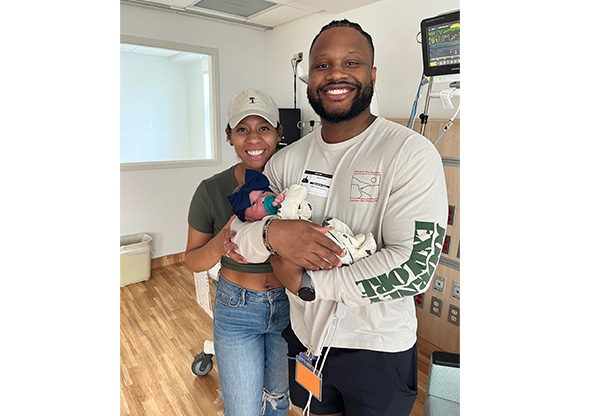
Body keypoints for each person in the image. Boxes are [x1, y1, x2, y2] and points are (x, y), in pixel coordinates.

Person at [229, 20, 448, 416]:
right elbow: (238, 235)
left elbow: (414, 268)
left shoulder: (410, 154)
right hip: (306, 340)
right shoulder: (286, 160)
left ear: (372, 75)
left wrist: (309, 285)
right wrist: (273, 233)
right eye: (322, 65)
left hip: (376, 347)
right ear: (309, 78)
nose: (335, 74)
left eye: (351, 62)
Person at [184, 89, 290, 416]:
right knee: (243, 409)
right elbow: (192, 260)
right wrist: (220, 243)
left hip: (292, 305)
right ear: (229, 136)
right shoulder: (211, 190)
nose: (253, 138)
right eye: (242, 129)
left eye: (264, 128)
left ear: (279, 132)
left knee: (279, 400)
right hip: (237, 308)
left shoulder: (295, 184)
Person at [227, 168, 376, 265]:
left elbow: (306, 209)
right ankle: (357, 251)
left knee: (334, 230)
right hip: (308, 249)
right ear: (249, 219)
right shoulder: (264, 224)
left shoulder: (283, 200)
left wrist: (286, 201)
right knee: (332, 249)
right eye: (253, 203)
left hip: (315, 229)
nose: (262, 199)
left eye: (263, 193)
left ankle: (353, 243)